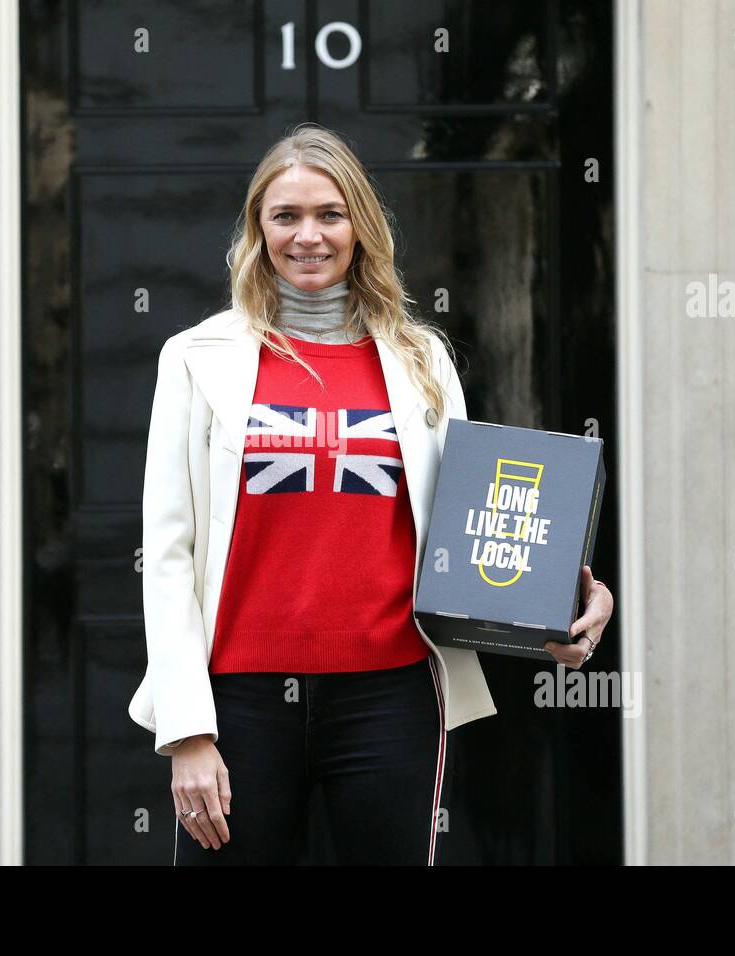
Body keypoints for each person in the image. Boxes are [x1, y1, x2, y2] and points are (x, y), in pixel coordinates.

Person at [127, 123, 614, 865]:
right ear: (258, 229)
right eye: (285, 216)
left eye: (330, 213)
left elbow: (473, 524)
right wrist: (187, 730)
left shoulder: (422, 358)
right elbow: (167, 553)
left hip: (390, 694)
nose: (308, 236)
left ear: (361, 225)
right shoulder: (196, 359)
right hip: (238, 700)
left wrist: (558, 606)